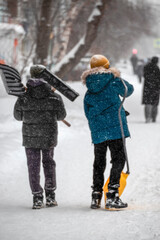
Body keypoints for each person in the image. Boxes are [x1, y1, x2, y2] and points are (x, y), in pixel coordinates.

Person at [81, 55, 134, 209]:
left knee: (99, 162)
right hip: (115, 127)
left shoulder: (89, 89)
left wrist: (99, 121)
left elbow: (87, 111)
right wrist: (117, 75)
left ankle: (96, 195)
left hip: (98, 130)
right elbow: (128, 90)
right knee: (118, 159)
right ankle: (112, 195)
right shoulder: (113, 81)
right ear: (107, 66)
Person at [14, 65, 67, 209]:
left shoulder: (23, 97)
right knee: (49, 163)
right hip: (48, 136)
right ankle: (50, 196)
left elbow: (18, 117)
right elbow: (61, 116)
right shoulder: (54, 97)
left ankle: (37, 196)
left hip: (30, 137)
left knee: (33, 165)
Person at [142, 56, 160, 123]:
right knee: (154, 103)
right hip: (155, 88)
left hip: (147, 88)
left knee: (147, 103)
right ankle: (154, 117)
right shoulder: (157, 68)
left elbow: (144, 76)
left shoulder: (146, 67)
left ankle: (147, 117)